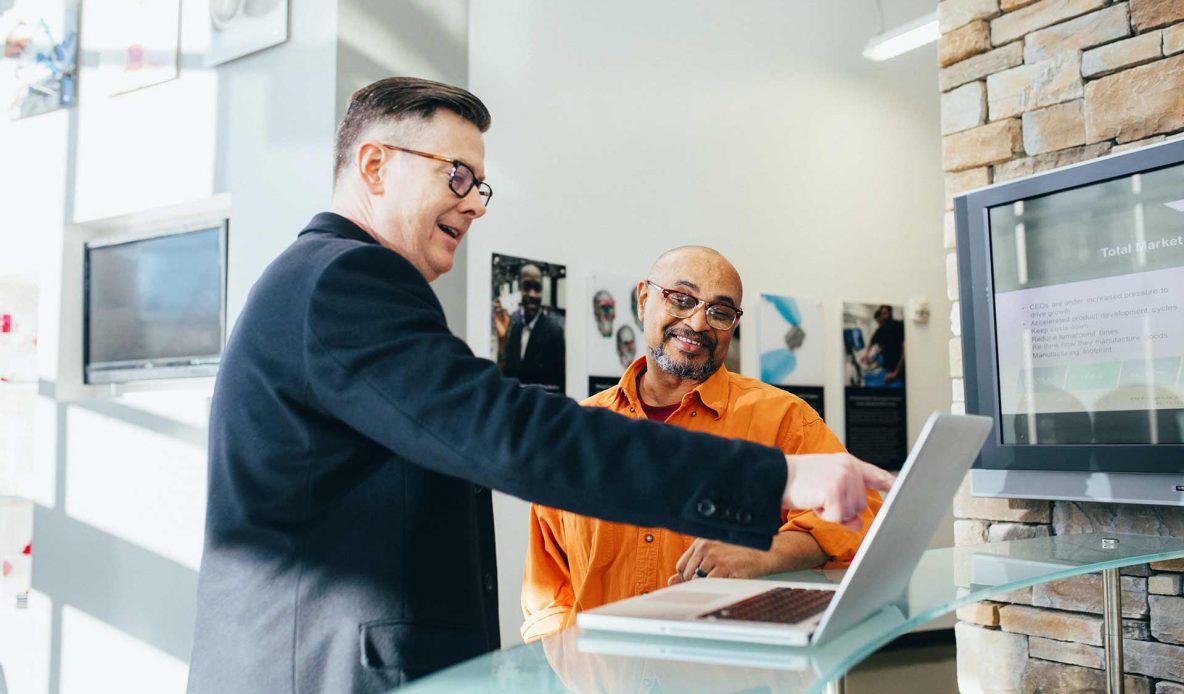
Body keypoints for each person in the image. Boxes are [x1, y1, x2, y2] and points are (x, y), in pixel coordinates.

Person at [187, 77, 894, 694]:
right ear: (374, 166)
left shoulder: (325, 283)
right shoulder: (345, 281)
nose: (475, 204)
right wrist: (775, 478)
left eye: (479, 184)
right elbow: (510, 433)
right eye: (456, 175)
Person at [521, 247, 882, 642]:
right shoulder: (579, 432)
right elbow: (548, 592)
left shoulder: (784, 419)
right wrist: (568, 670)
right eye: (681, 298)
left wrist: (765, 552)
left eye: (720, 312)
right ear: (644, 300)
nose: (697, 322)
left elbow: (862, 517)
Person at [493, 263, 566, 392]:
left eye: (537, 288)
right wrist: (502, 340)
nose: (532, 294)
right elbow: (506, 377)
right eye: (526, 287)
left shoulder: (554, 333)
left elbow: (560, 387)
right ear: (519, 290)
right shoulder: (515, 329)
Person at [862, 304, 905, 386]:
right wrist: (866, 354)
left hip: (899, 369)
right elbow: (872, 341)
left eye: (886, 313)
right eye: (882, 314)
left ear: (890, 313)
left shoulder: (899, 325)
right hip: (887, 368)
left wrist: (896, 372)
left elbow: (905, 350)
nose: (884, 317)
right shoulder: (881, 330)